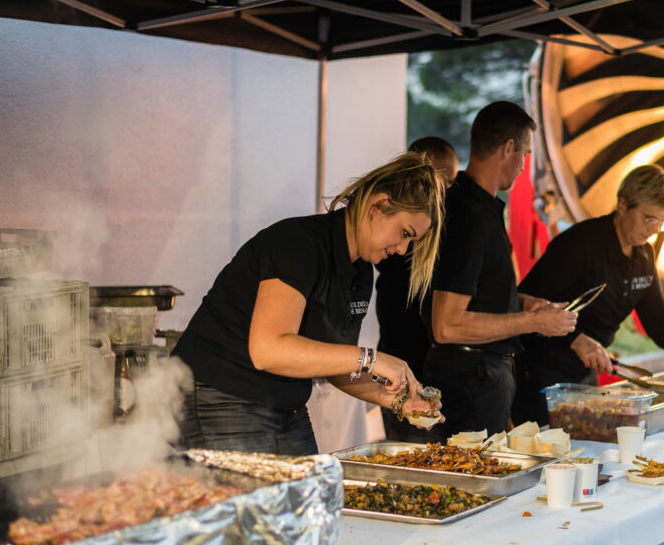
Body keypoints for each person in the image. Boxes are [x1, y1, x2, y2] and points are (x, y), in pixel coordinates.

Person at [173, 152, 445, 455]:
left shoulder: (360, 272)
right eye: (405, 233)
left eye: (411, 242)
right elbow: (268, 350)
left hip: (284, 406)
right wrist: (371, 357)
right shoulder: (298, 244)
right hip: (218, 394)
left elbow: (340, 367)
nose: (403, 249)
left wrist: (399, 401)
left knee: (313, 485)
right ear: (378, 205)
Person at [513, 164, 664, 426]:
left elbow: (659, 323)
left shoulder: (644, 255)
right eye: (649, 218)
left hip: (584, 375)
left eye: (663, 222)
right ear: (622, 205)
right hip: (539, 373)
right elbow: (525, 302)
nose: (654, 229)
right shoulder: (579, 244)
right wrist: (576, 339)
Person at [422, 101, 577, 440]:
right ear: (508, 147)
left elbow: (480, 293)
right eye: (525, 154)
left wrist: (523, 303)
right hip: (468, 379)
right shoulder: (467, 215)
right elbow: (446, 325)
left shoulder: (483, 207)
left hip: (484, 376)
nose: (523, 166)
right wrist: (533, 322)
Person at [376, 137, 459, 442]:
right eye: (439, 183)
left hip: (428, 370)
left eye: (448, 186)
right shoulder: (393, 243)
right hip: (400, 365)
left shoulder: (437, 230)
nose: (441, 195)